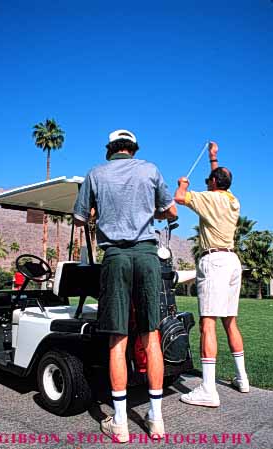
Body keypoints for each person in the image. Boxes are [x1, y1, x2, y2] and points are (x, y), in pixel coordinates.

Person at [73, 129, 177, 442]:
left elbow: (79, 219)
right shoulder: (150, 169)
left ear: (111, 150)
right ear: (133, 149)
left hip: (115, 256)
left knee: (117, 337)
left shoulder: (95, 174)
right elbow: (170, 211)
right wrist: (152, 210)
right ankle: (156, 420)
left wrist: (95, 212)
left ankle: (120, 423)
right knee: (151, 335)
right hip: (147, 255)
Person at [174, 142, 249, 408]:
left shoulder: (210, 197)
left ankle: (208, 389)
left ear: (214, 184)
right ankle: (242, 378)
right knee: (230, 321)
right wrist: (213, 159)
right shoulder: (231, 199)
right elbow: (218, 181)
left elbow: (180, 199)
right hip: (232, 260)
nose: (206, 183)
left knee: (208, 323)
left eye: (209, 180)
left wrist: (182, 183)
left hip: (214, 262)